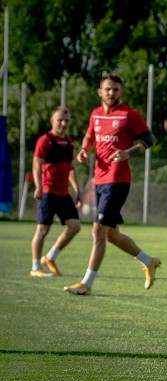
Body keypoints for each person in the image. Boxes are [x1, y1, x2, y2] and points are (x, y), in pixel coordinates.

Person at [64, 73, 161, 295]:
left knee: (98, 230)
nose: (111, 93)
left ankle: (86, 284)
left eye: (115, 89)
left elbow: (150, 139)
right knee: (111, 234)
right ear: (100, 92)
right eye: (107, 89)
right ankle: (149, 261)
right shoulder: (96, 115)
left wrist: (128, 152)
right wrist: (83, 151)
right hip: (99, 178)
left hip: (118, 180)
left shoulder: (129, 115)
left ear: (120, 92)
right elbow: (90, 137)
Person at [30, 106, 82, 277]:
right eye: (60, 120)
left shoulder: (69, 142)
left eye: (66, 120)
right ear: (52, 121)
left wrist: (77, 189)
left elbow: (71, 168)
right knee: (43, 230)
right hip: (47, 192)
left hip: (63, 193)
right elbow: (37, 164)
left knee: (75, 226)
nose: (63, 123)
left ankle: (50, 257)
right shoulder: (45, 140)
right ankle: (36, 267)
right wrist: (38, 187)